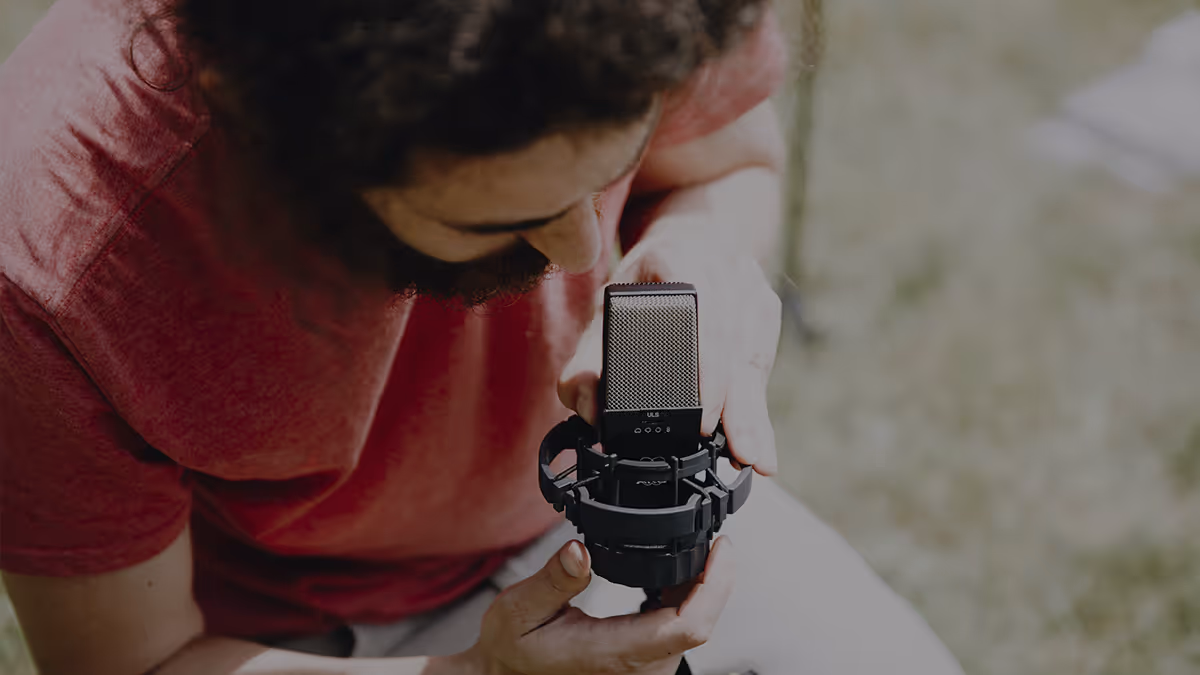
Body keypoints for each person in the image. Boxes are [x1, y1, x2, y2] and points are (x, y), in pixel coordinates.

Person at [0, 0, 964, 673]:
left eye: (610, 171)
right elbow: (138, 664)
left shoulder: (644, 12)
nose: (587, 247)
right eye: (500, 220)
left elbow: (728, 161)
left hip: (572, 518)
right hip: (294, 636)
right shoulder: (58, 261)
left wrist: (703, 242)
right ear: (260, 108)